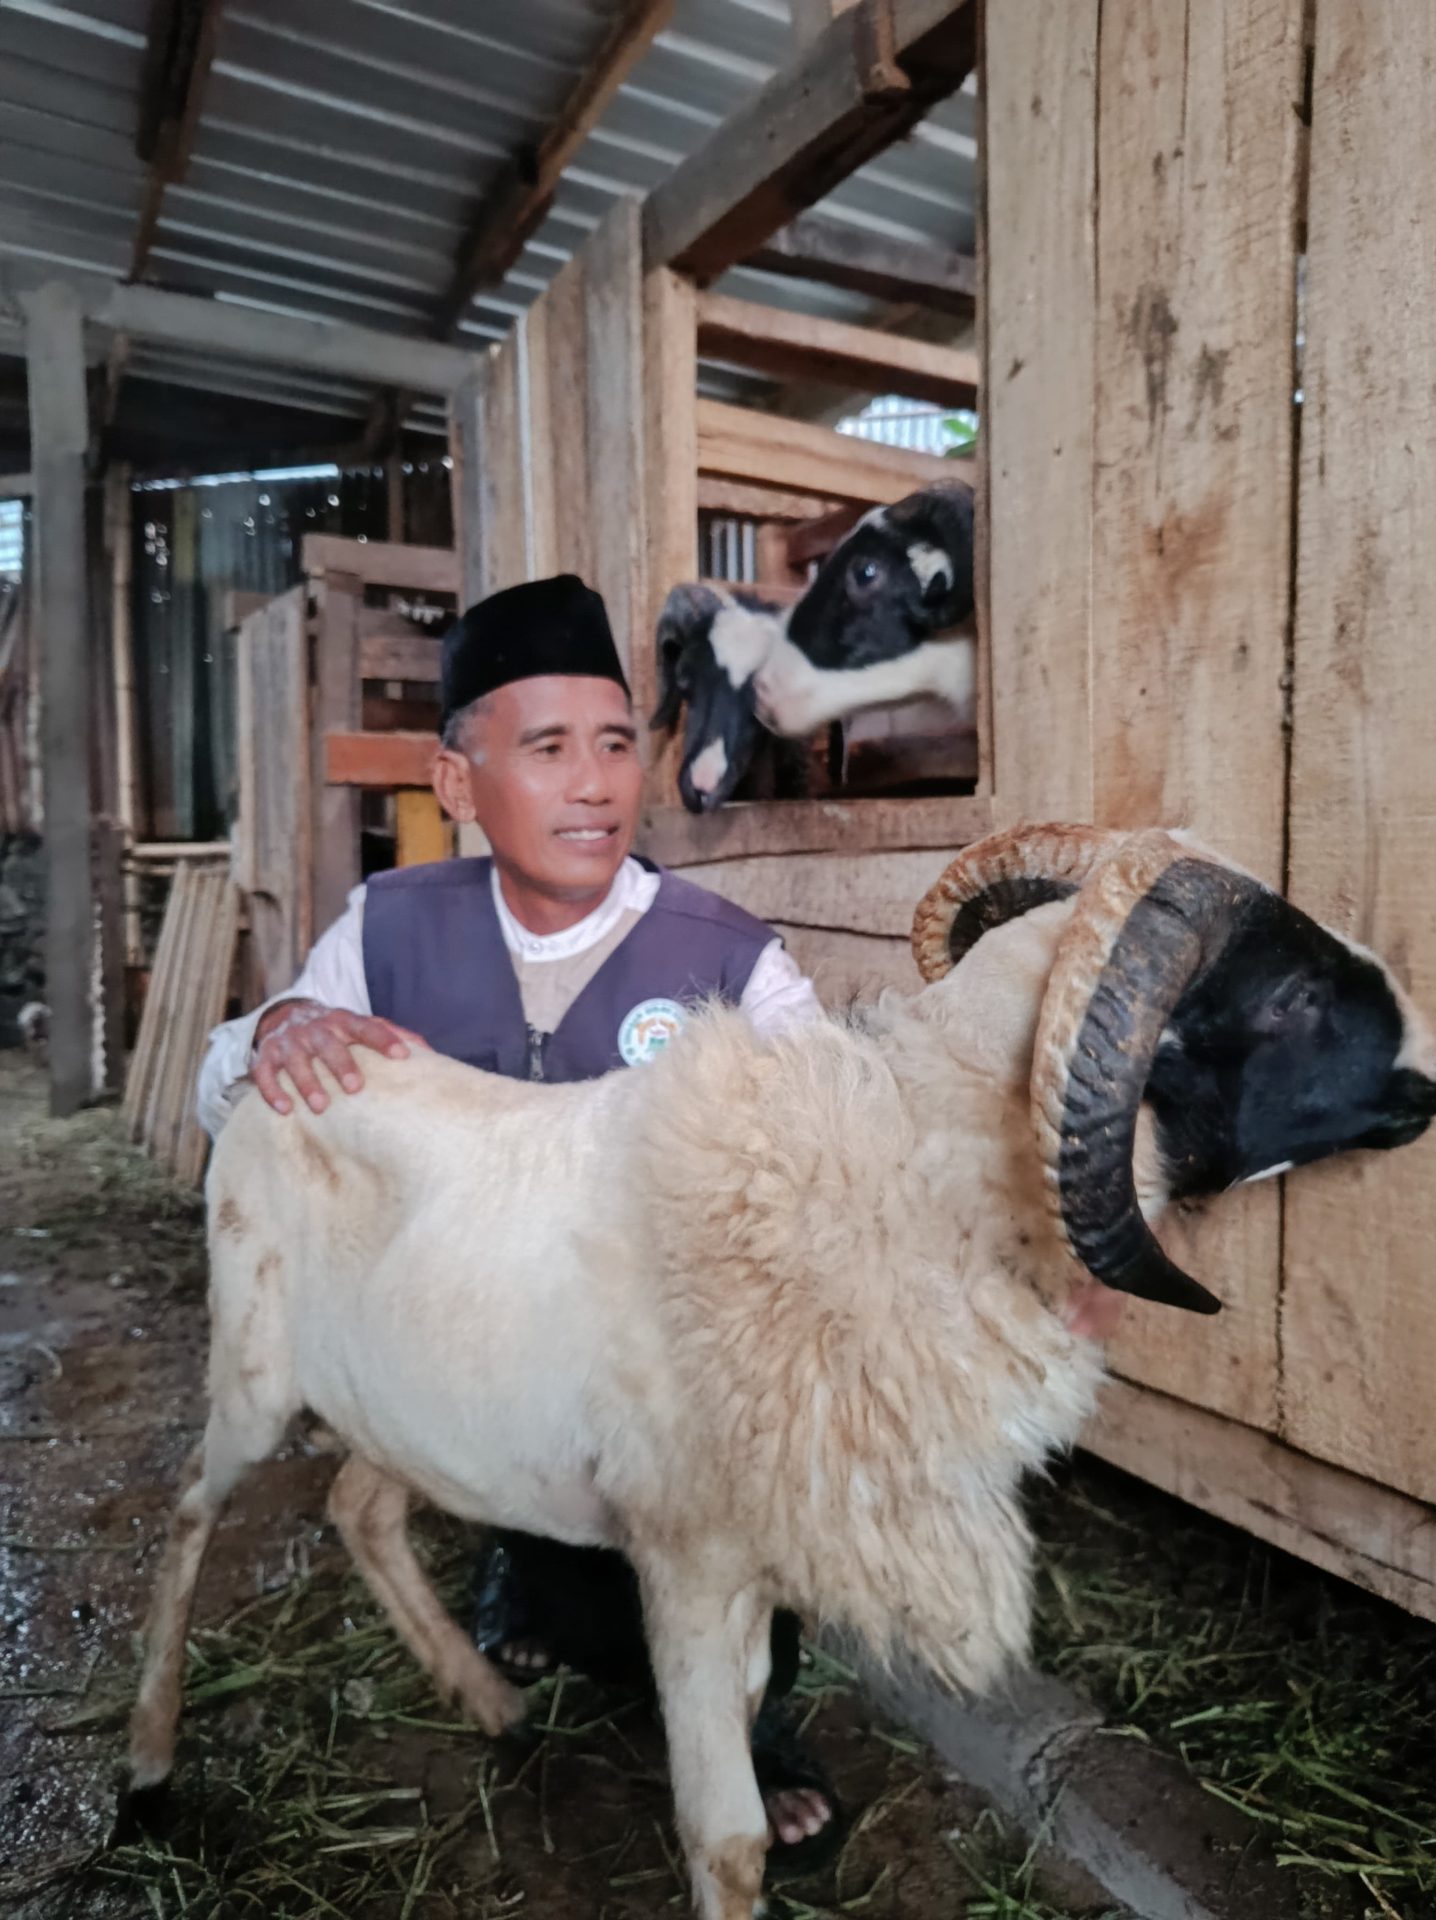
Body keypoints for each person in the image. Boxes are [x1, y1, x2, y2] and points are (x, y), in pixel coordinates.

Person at [196, 573, 842, 1872]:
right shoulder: (391, 931)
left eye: (615, 744)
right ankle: (526, 1576)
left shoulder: (730, 962)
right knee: (560, 1572)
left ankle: (754, 1728)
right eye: (547, 749)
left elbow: (842, 1153)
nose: (596, 785)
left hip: (685, 1401)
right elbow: (228, 1089)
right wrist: (277, 1030)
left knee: (722, 1570)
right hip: (508, 1382)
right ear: (456, 781)